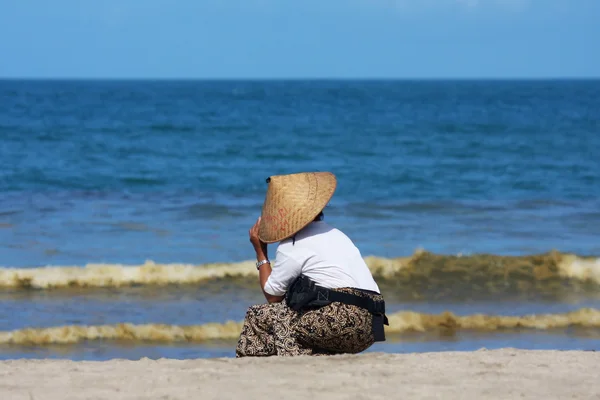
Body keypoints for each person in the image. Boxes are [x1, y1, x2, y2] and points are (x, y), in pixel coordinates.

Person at [235, 171, 388, 357]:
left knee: (258, 315)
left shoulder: (293, 243)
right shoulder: (336, 233)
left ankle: (270, 369)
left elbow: (272, 295)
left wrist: (261, 252)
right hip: (372, 325)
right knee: (296, 315)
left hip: (341, 320)